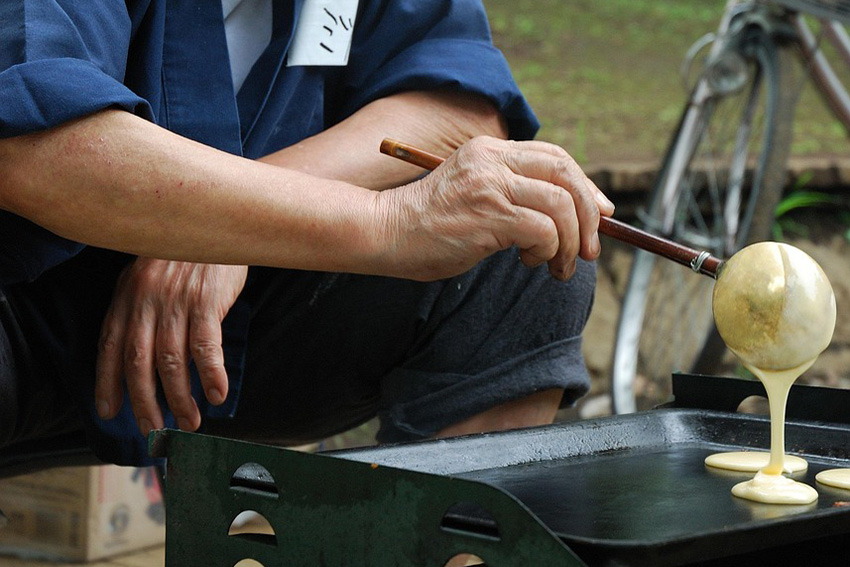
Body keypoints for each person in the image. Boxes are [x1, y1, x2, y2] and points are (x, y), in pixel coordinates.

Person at [0, 0, 614, 467]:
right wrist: (386, 224)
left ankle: (456, 540)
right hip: (22, 303)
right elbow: (33, 145)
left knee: (518, 241)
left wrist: (223, 238)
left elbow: (456, 103)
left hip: (240, 323)